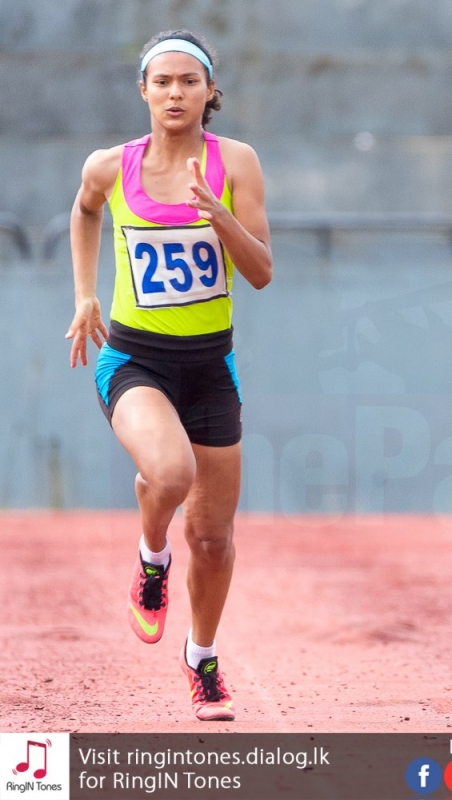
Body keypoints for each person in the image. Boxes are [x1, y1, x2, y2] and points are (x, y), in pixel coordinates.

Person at [65, 29, 272, 720]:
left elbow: (262, 271)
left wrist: (221, 218)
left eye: (189, 81)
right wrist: (85, 294)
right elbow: (84, 209)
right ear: (144, 91)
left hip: (211, 367)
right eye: (163, 81)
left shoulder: (235, 162)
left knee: (212, 540)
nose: (175, 93)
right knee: (171, 471)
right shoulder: (109, 166)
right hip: (134, 359)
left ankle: (201, 659)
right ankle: (152, 558)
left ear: (210, 91)